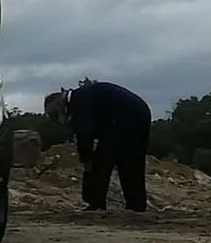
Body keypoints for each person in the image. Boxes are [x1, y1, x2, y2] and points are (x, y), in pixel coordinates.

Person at [44, 81, 151, 212]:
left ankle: (97, 204)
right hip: (138, 113)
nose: (57, 119)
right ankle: (136, 205)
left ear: (59, 103)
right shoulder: (84, 96)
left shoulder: (79, 102)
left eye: (54, 114)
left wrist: (86, 158)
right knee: (132, 162)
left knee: (102, 163)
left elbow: (85, 134)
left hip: (127, 118)